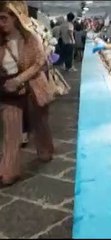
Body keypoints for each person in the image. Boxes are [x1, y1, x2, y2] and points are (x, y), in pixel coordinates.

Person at [0, 1, 54, 186]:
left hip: (33, 87)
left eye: (4, 18)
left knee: (40, 124)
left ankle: (45, 149)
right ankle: (9, 171)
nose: (1, 23)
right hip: (9, 92)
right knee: (11, 132)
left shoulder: (30, 38)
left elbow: (39, 62)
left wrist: (19, 80)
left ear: (15, 19)